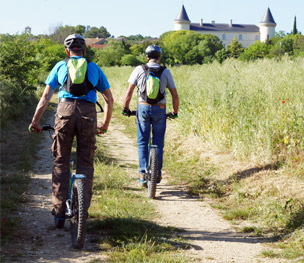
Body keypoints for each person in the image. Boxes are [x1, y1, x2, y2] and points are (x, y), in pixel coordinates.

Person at [29, 34, 114, 228]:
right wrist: (106, 125)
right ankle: (82, 211)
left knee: (61, 161)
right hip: (88, 114)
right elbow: (109, 99)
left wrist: (35, 121)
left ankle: (59, 213)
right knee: (86, 161)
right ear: (84, 50)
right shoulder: (94, 68)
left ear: (67, 51)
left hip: (64, 112)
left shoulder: (60, 66)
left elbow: (45, 97)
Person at [122, 45, 179, 184]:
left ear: (147, 57)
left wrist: (125, 108)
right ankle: (157, 173)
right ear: (159, 58)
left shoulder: (139, 69)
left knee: (142, 141)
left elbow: (129, 93)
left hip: (143, 108)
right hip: (160, 108)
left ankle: (143, 173)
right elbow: (175, 95)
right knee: (158, 143)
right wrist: (174, 112)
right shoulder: (165, 71)